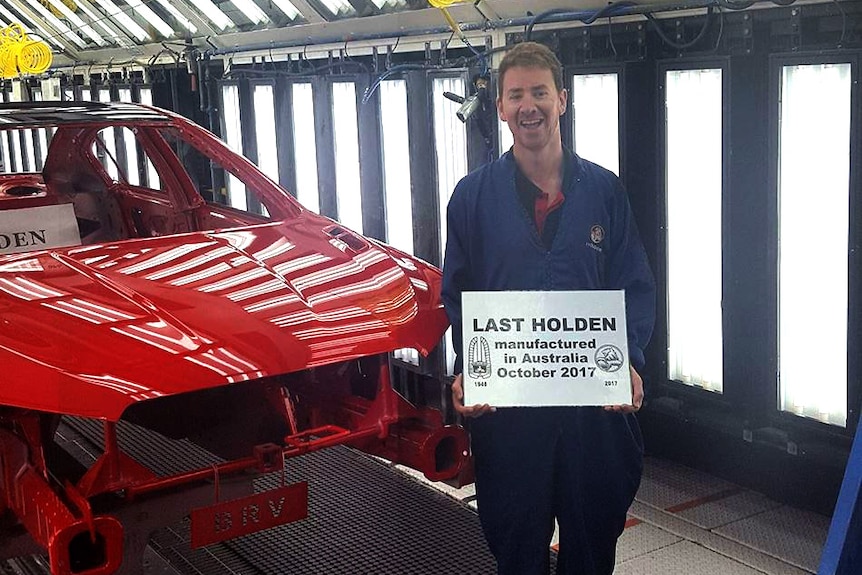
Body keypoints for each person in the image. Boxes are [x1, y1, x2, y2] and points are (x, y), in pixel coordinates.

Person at [441, 42, 656, 575]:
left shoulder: (604, 192)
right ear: (500, 107)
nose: (528, 105)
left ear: (563, 100)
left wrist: (626, 360)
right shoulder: (470, 199)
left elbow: (633, 283)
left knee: (591, 549)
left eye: (539, 92)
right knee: (516, 550)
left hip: (594, 423)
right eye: (516, 95)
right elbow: (459, 296)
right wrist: (469, 369)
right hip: (510, 422)